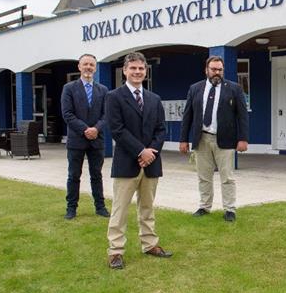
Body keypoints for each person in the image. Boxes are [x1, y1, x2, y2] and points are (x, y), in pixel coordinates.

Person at [105, 52, 172, 269]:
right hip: (127, 163)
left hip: (151, 163)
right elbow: (117, 130)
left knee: (147, 208)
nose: (137, 72)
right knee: (120, 210)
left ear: (146, 71)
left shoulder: (154, 99)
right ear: (125, 70)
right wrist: (140, 151)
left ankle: (150, 244)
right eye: (132, 68)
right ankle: (115, 251)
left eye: (141, 69)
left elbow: (161, 129)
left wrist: (151, 151)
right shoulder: (114, 97)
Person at [179, 56, 249, 222]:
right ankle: (204, 206)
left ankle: (230, 209)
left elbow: (243, 116)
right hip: (201, 139)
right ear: (206, 70)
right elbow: (187, 115)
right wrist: (183, 139)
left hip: (225, 140)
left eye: (220, 70)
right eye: (214, 69)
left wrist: (243, 138)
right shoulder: (195, 88)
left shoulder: (234, 88)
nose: (217, 73)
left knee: (227, 177)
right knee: (203, 176)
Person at [61, 53, 110, 220]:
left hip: (97, 140)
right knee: (74, 175)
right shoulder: (69, 88)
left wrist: (96, 129)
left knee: (97, 175)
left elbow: (107, 114)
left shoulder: (103, 90)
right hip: (76, 139)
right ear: (79, 67)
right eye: (85, 64)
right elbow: (67, 114)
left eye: (91, 65)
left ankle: (100, 207)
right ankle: (71, 208)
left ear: (95, 68)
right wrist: (85, 130)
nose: (88, 67)